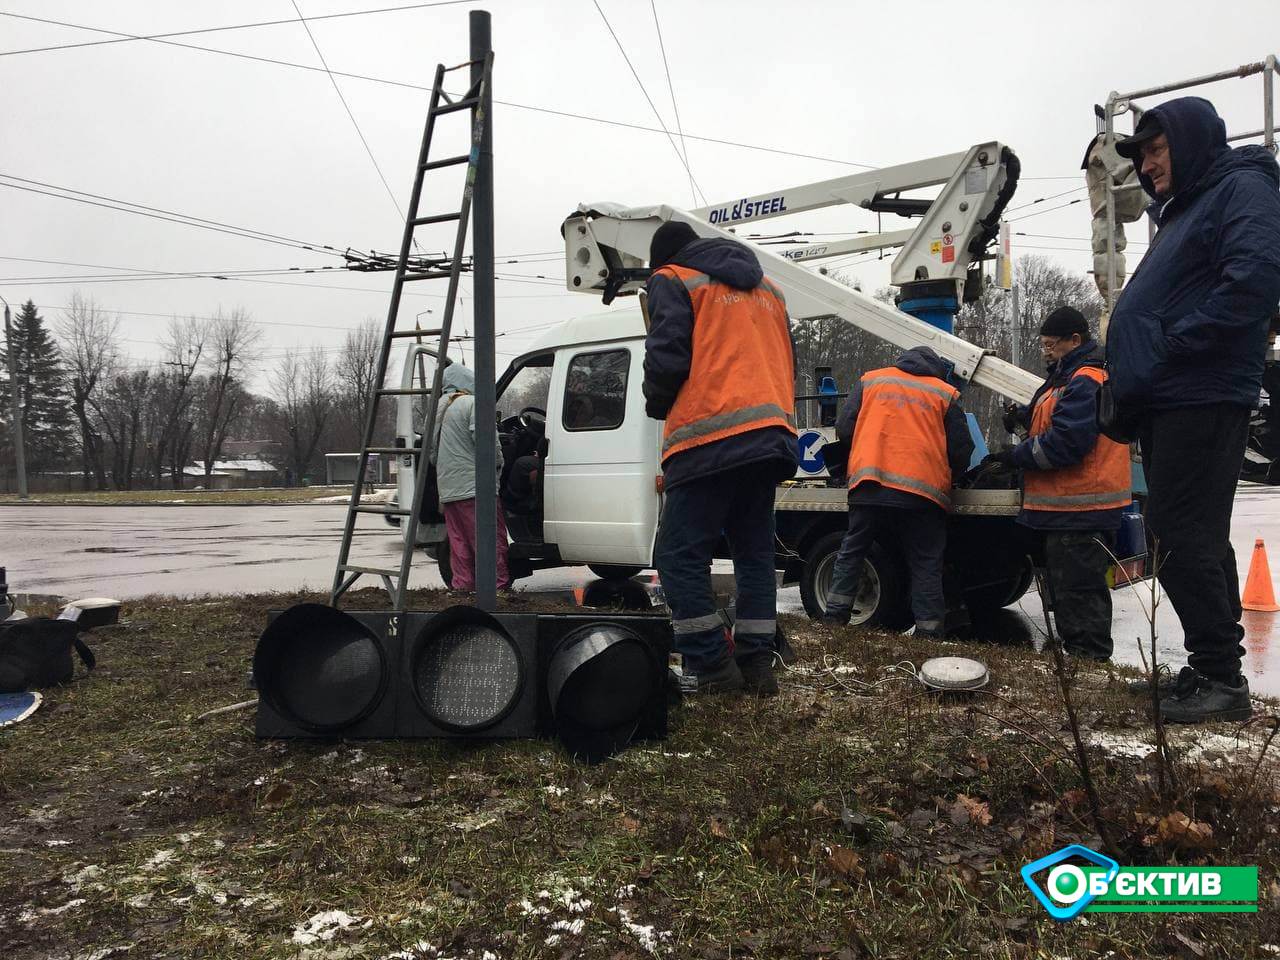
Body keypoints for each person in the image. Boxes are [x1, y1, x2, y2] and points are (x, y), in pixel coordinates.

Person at [1108, 96, 1280, 722]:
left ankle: (1220, 678)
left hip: (1202, 393)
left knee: (1183, 533)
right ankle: (1210, 666)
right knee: (1183, 534)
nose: (1146, 165)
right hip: (1175, 394)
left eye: (1155, 150)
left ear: (1189, 142)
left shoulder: (1242, 187)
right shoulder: (1185, 210)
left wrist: (1167, 345)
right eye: (1142, 155)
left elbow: (1255, 280)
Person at [644, 220, 798, 696]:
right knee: (753, 554)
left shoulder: (671, 278)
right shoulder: (768, 288)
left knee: (677, 557)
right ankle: (756, 664)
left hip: (709, 434)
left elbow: (667, 355)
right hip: (770, 436)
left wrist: (656, 400)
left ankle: (712, 667)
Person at [987, 306, 1131, 660]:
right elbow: (1055, 427)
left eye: (1051, 345)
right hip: (1074, 508)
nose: (1046, 351)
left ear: (1075, 340)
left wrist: (1015, 456)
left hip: (1080, 508)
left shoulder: (1084, 378)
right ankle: (1083, 661)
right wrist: (1023, 419)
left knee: (1079, 592)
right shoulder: (1068, 378)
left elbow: (1066, 444)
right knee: (1074, 592)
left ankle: (1088, 665)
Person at [821, 346, 974, 638]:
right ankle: (929, 631)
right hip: (923, 493)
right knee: (926, 561)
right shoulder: (944, 393)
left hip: (870, 483)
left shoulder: (873, 380)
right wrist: (951, 475)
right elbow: (961, 448)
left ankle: (834, 619)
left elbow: (844, 427)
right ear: (936, 368)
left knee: (852, 550)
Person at [431, 362, 511, 594]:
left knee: (458, 543)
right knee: (489, 540)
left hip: (448, 490)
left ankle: (463, 587)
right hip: (476, 489)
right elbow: (486, 443)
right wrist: (498, 464)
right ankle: (498, 588)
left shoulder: (439, 408)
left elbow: (433, 455)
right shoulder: (473, 404)